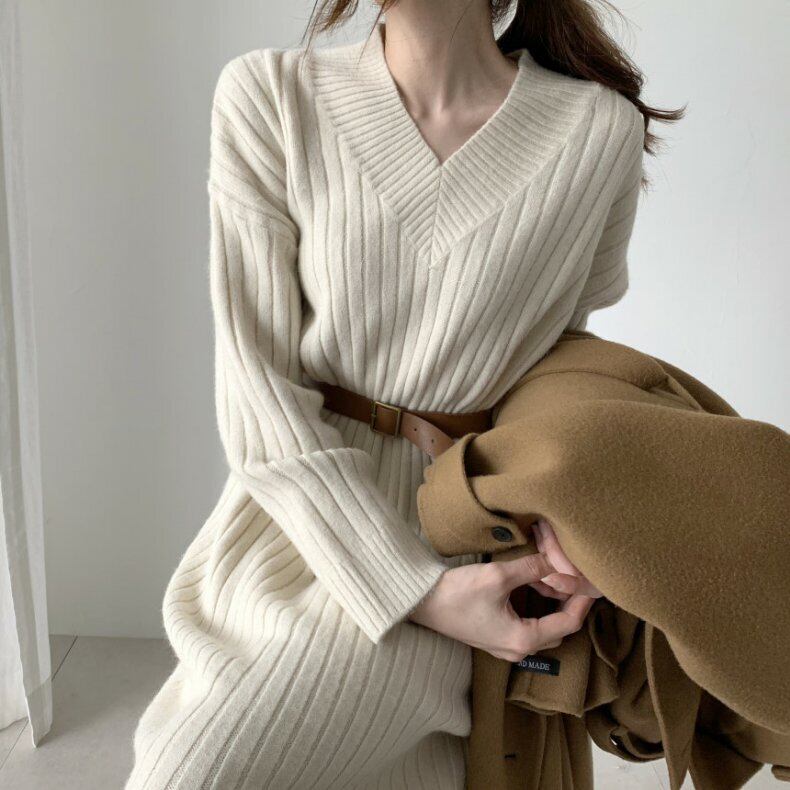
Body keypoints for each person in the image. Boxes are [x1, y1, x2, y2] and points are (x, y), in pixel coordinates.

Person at [125, 1, 680, 787]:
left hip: (465, 529)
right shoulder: (271, 95)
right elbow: (257, 385)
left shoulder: (597, 130)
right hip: (294, 525)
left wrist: (568, 517)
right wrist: (411, 590)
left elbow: (556, 363)